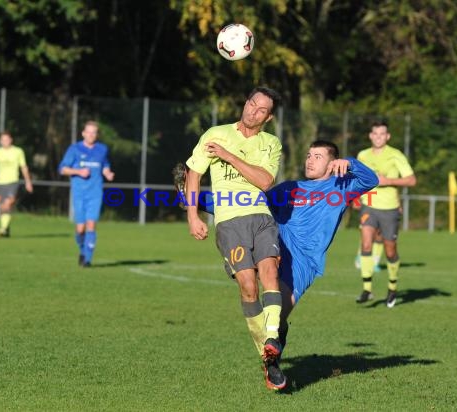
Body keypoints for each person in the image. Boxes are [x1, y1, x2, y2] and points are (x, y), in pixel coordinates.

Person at [174, 140, 378, 388]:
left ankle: (273, 355)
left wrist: (352, 163)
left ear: (332, 162)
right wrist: (197, 202)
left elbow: (371, 180)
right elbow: (248, 204)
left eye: (318, 156)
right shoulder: (289, 189)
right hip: (274, 246)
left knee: (278, 317)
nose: (310, 160)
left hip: (304, 261)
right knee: (264, 304)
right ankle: (272, 366)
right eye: (309, 155)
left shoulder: (342, 186)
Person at [184, 86, 285, 390]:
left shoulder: (271, 143)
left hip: (260, 217)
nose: (253, 111)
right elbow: (193, 174)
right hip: (228, 223)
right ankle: (268, 359)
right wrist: (193, 215)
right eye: (252, 103)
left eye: (261, 109)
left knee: (270, 271)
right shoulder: (216, 133)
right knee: (248, 286)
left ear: (268, 118)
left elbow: (265, 181)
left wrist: (227, 156)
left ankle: (272, 336)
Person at [355, 121, 416, 308]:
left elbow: (411, 180)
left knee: (390, 250)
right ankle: (367, 289)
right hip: (369, 204)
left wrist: (387, 180)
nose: (379, 137)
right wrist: (354, 196)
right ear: (370, 136)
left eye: (383, 134)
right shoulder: (363, 155)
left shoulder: (395, 155)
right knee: (366, 242)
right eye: (376, 134)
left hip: (389, 208)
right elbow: (356, 178)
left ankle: (392, 286)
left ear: (387, 136)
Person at [58, 120, 114, 267]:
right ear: (83, 133)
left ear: (97, 135)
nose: (91, 135)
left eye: (94, 132)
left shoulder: (102, 149)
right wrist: (78, 172)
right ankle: (83, 250)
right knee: (80, 229)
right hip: (79, 194)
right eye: (88, 132)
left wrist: (107, 173)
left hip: (95, 193)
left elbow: (105, 164)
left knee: (91, 225)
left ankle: (87, 260)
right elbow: (62, 169)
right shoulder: (74, 149)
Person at [0, 131, 33, 237]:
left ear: (11, 140)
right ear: (0, 141)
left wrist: (28, 181)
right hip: (1, 183)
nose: (5, 142)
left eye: (7, 139)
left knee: (8, 204)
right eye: (3, 140)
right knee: (2, 207)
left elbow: (23, 167)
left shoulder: (18, 151)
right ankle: (6, 228)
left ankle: (3, 228)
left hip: (13, 182)